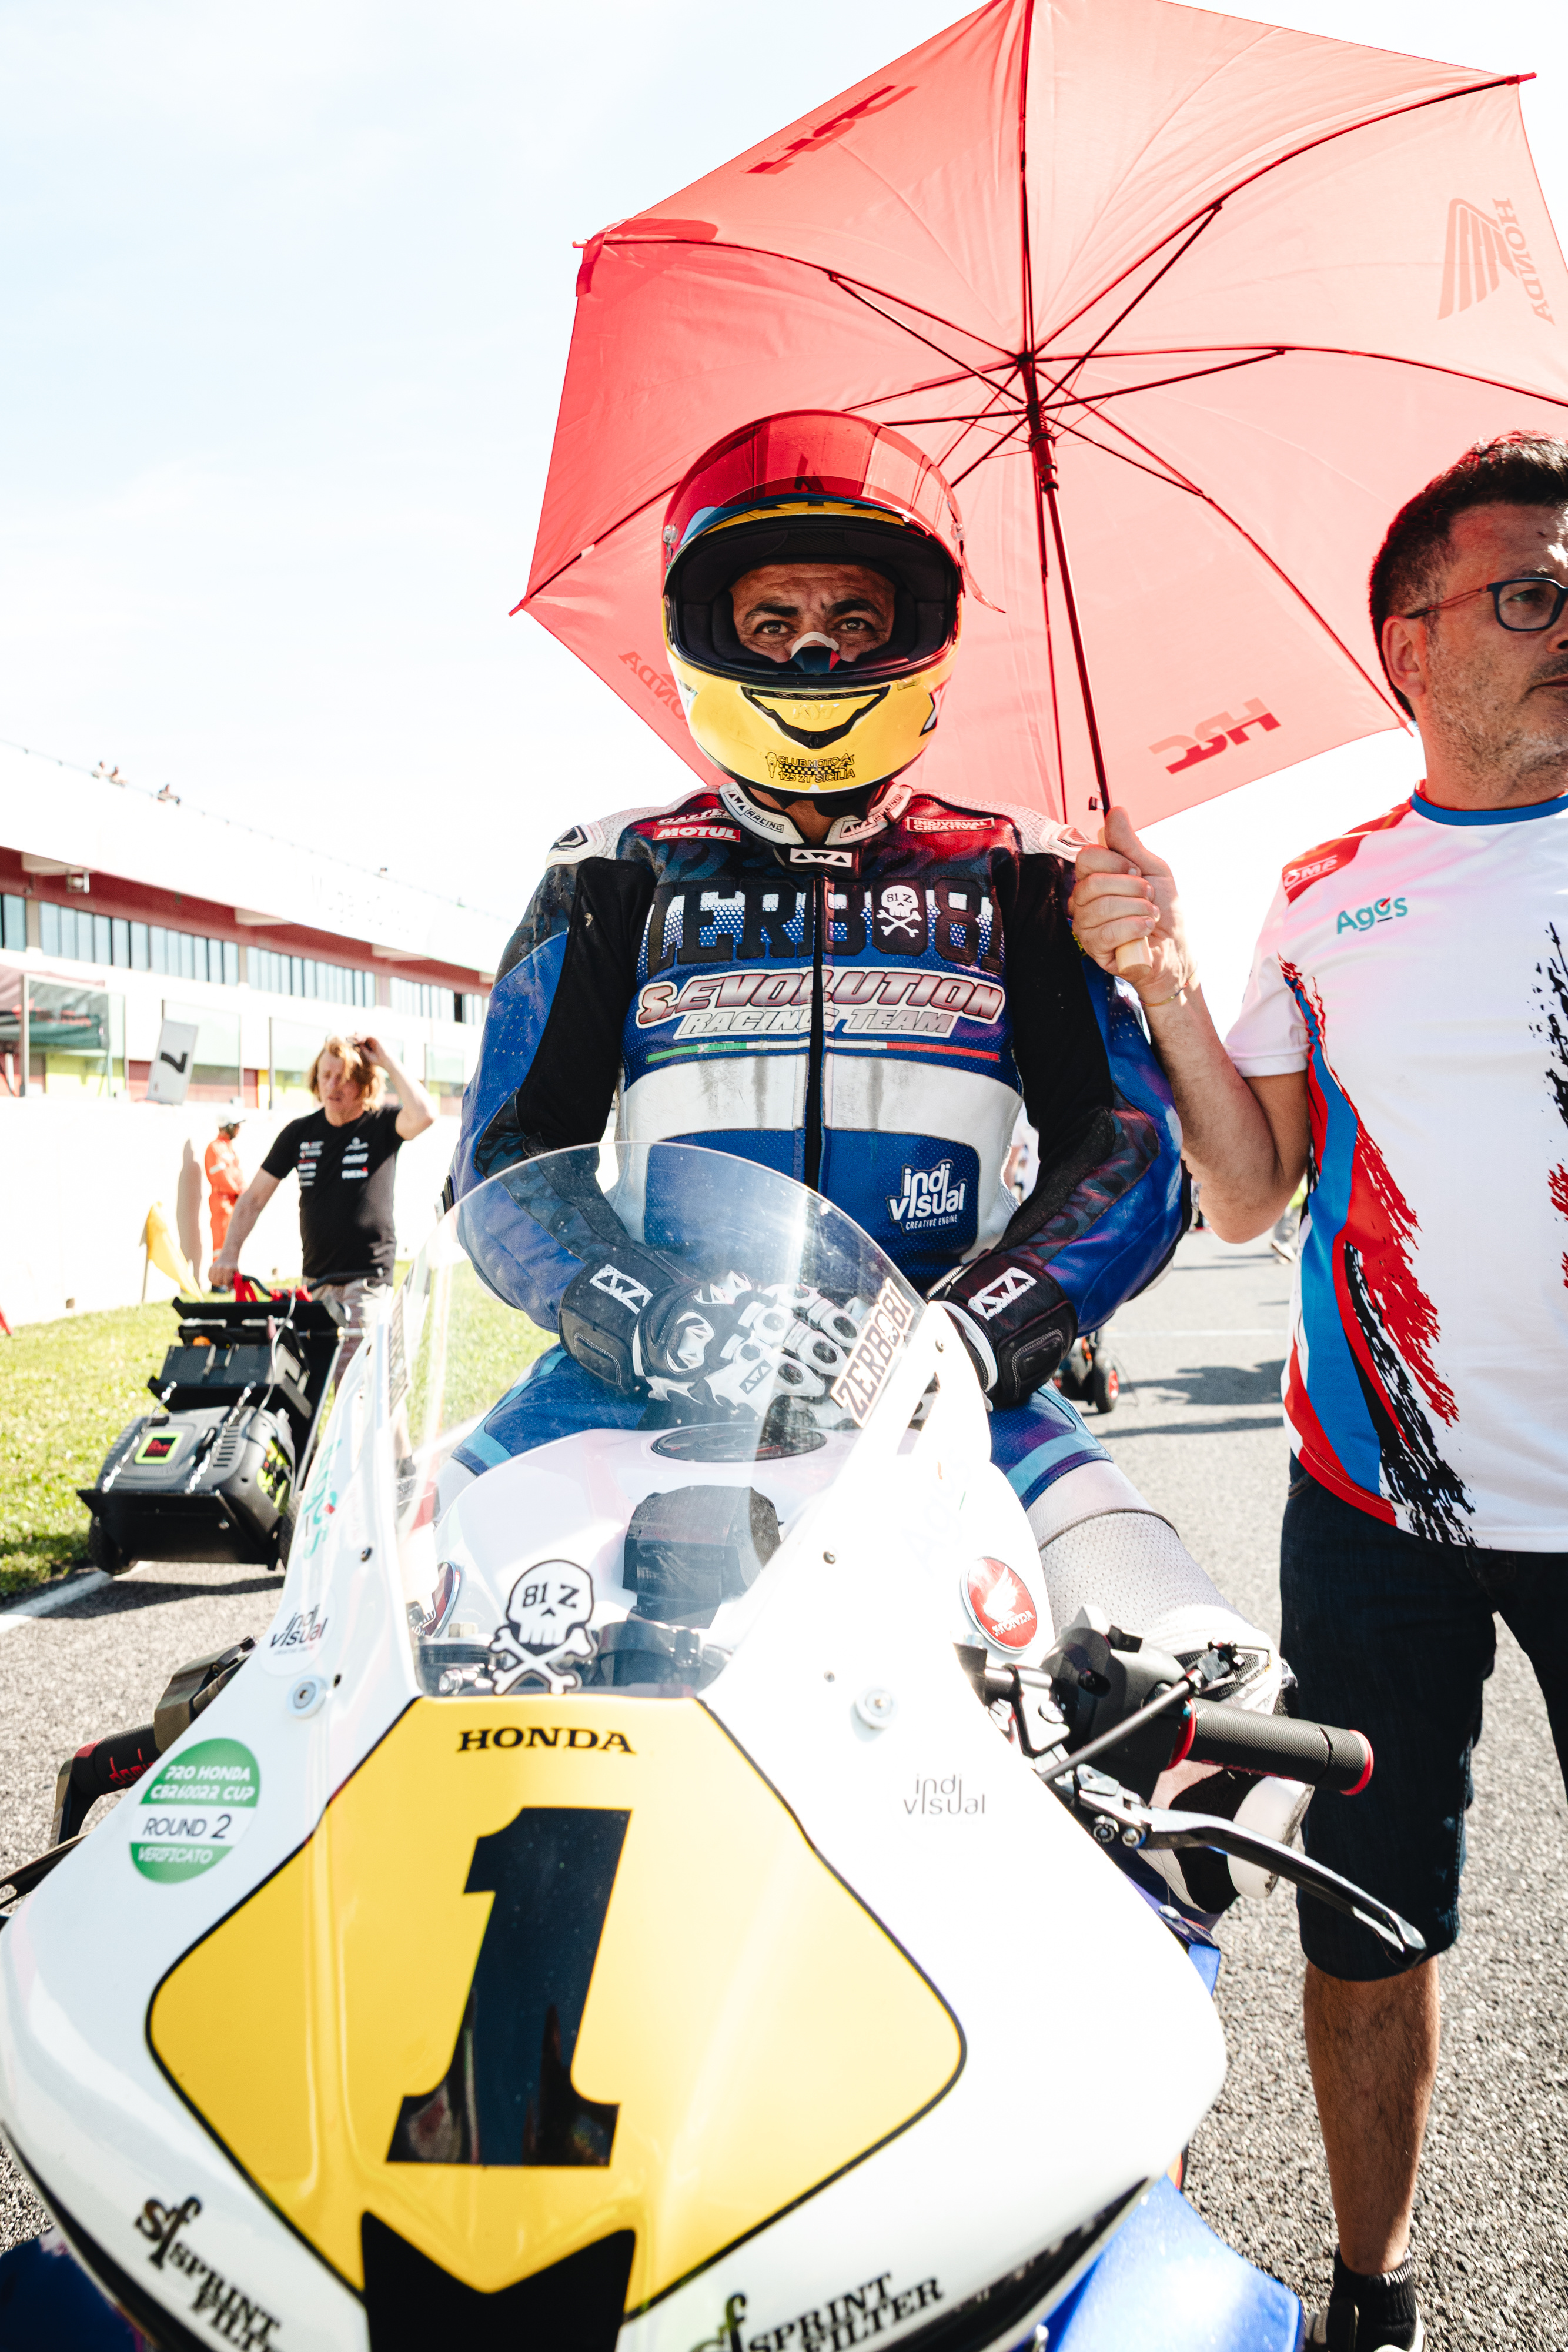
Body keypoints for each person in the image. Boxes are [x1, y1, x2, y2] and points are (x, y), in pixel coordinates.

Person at [450, 408, 1288, 1809]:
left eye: (853, 617)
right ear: (703, 633)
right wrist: (645, 1309)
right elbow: (504, 1161)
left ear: (922, 637)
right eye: (772, 618)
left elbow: (1125, 1151)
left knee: (1211, 1713)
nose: (815, 654)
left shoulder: (1024, 872)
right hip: (629, 1370)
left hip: (951, 1388)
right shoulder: (611, 870)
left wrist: (977, 1332)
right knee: (362, 1648)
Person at [1068, 432, 1568, 2352]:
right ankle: (1372, 2294)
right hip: (1376, 1506)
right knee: (1364, 1919)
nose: (1565, 624)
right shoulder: (1323, 894)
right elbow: (1243, 1188)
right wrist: (1162, 980)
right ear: (1408, 642)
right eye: (1529, 593)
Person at [213, 1032, 434, 1340]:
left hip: (366, 1282)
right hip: (315, 1284)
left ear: (363, 1082)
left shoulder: (381, 1124)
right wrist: (228, 1255)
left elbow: (425, 1115)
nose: (332, 1086)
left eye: (343, 1078)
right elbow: (253, 1200)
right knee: (309, 1369)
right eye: (326, 1076)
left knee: (353, 1370)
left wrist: (385, 1060)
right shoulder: (299, 1133)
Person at [203, 1118, 244, 1264]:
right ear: (228, 1127)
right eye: (236, 1126)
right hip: (221, 1201)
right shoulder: (214, 1148)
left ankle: (230, 1274)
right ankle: (219, 1275)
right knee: (221, 1241)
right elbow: (221, 1177)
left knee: (232, 1241)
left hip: (233, 1200)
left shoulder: (228, 1148)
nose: (238, 1129)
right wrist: (238, 1191)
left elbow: (237, 1173)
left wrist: (244, 1192)